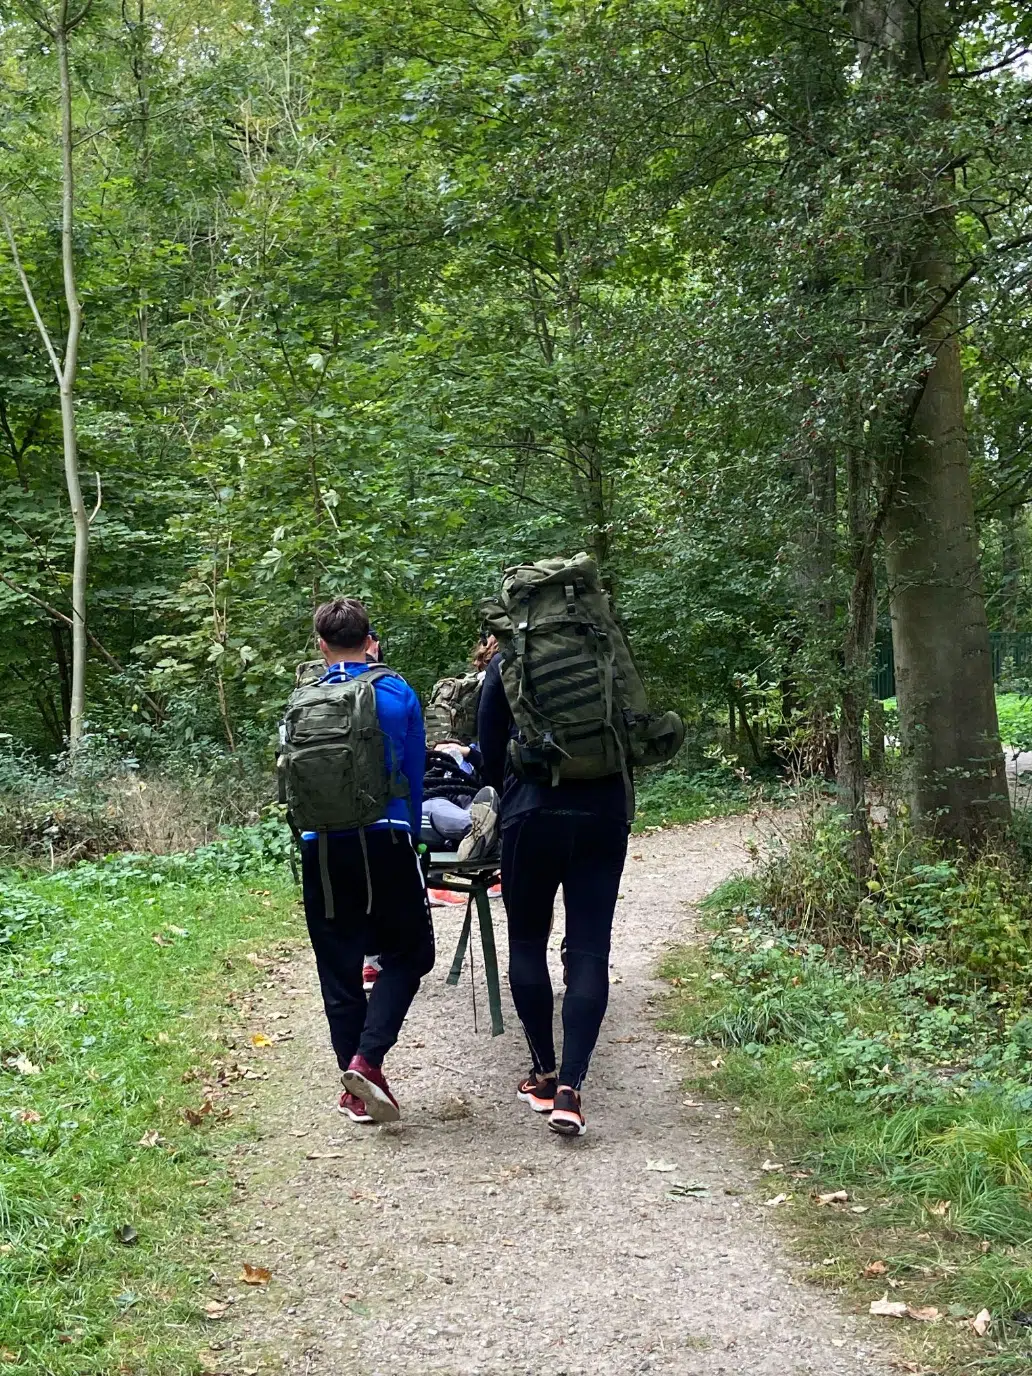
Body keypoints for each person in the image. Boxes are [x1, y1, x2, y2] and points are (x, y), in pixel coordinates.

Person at [478, 651, 630, 1139]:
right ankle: (571, 1091)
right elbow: (635, 727)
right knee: (589, 949)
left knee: (526, 943)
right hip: (605, 811)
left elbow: (489, 746)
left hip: (530, 811)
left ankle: (543, 1075)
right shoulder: (605, 648)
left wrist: (505, 793)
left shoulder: (508, 659)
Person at [293, 597, 433, 1125]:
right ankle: (367, 1061)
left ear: (322, 645)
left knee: (339, 966)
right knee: (410, 952)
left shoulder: (303, 699)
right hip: (387, 836)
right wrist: (411, 835)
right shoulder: (396, 692)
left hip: (321, 843)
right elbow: (414, 773)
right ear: (370, 641)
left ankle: (355, 1092)